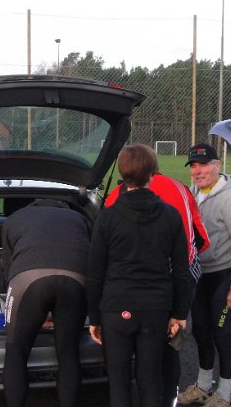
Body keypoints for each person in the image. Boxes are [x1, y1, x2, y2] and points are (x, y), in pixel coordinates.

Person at [87, 143, 194, 407]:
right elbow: (182, 271)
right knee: (150, 378)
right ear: (152, 173)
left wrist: (94, 317)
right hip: (156, 308)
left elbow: (95, 272)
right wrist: (179, 314)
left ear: (123, 173)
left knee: (118, 382)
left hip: (116, 307)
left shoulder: (107, 217)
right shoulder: (170, 215)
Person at [105, 156, 210, 407]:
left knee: (129, 365)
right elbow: (200, 237)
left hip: (131, 290)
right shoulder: (180, 188)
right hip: (178, 278)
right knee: (170, 350)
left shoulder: (116, 196)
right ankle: (169, 399)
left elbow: (106, 250)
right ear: (153, 169)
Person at [177, 143, 231, 407]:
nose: (197, 171)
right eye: (193, 166)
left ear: (217, 166)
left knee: (222, 334)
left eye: (203, 165)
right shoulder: (193, 193)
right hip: (201, 276)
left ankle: (224, 395)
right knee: (200, 331)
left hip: (224, 277)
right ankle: (203, 386)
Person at [0, 199, 91, 407]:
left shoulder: (15, 218)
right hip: (76, 280)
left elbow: (9, 266)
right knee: (69, 353)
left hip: (28, 281)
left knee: (16, 352)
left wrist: (32, 312)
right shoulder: (79, 218)